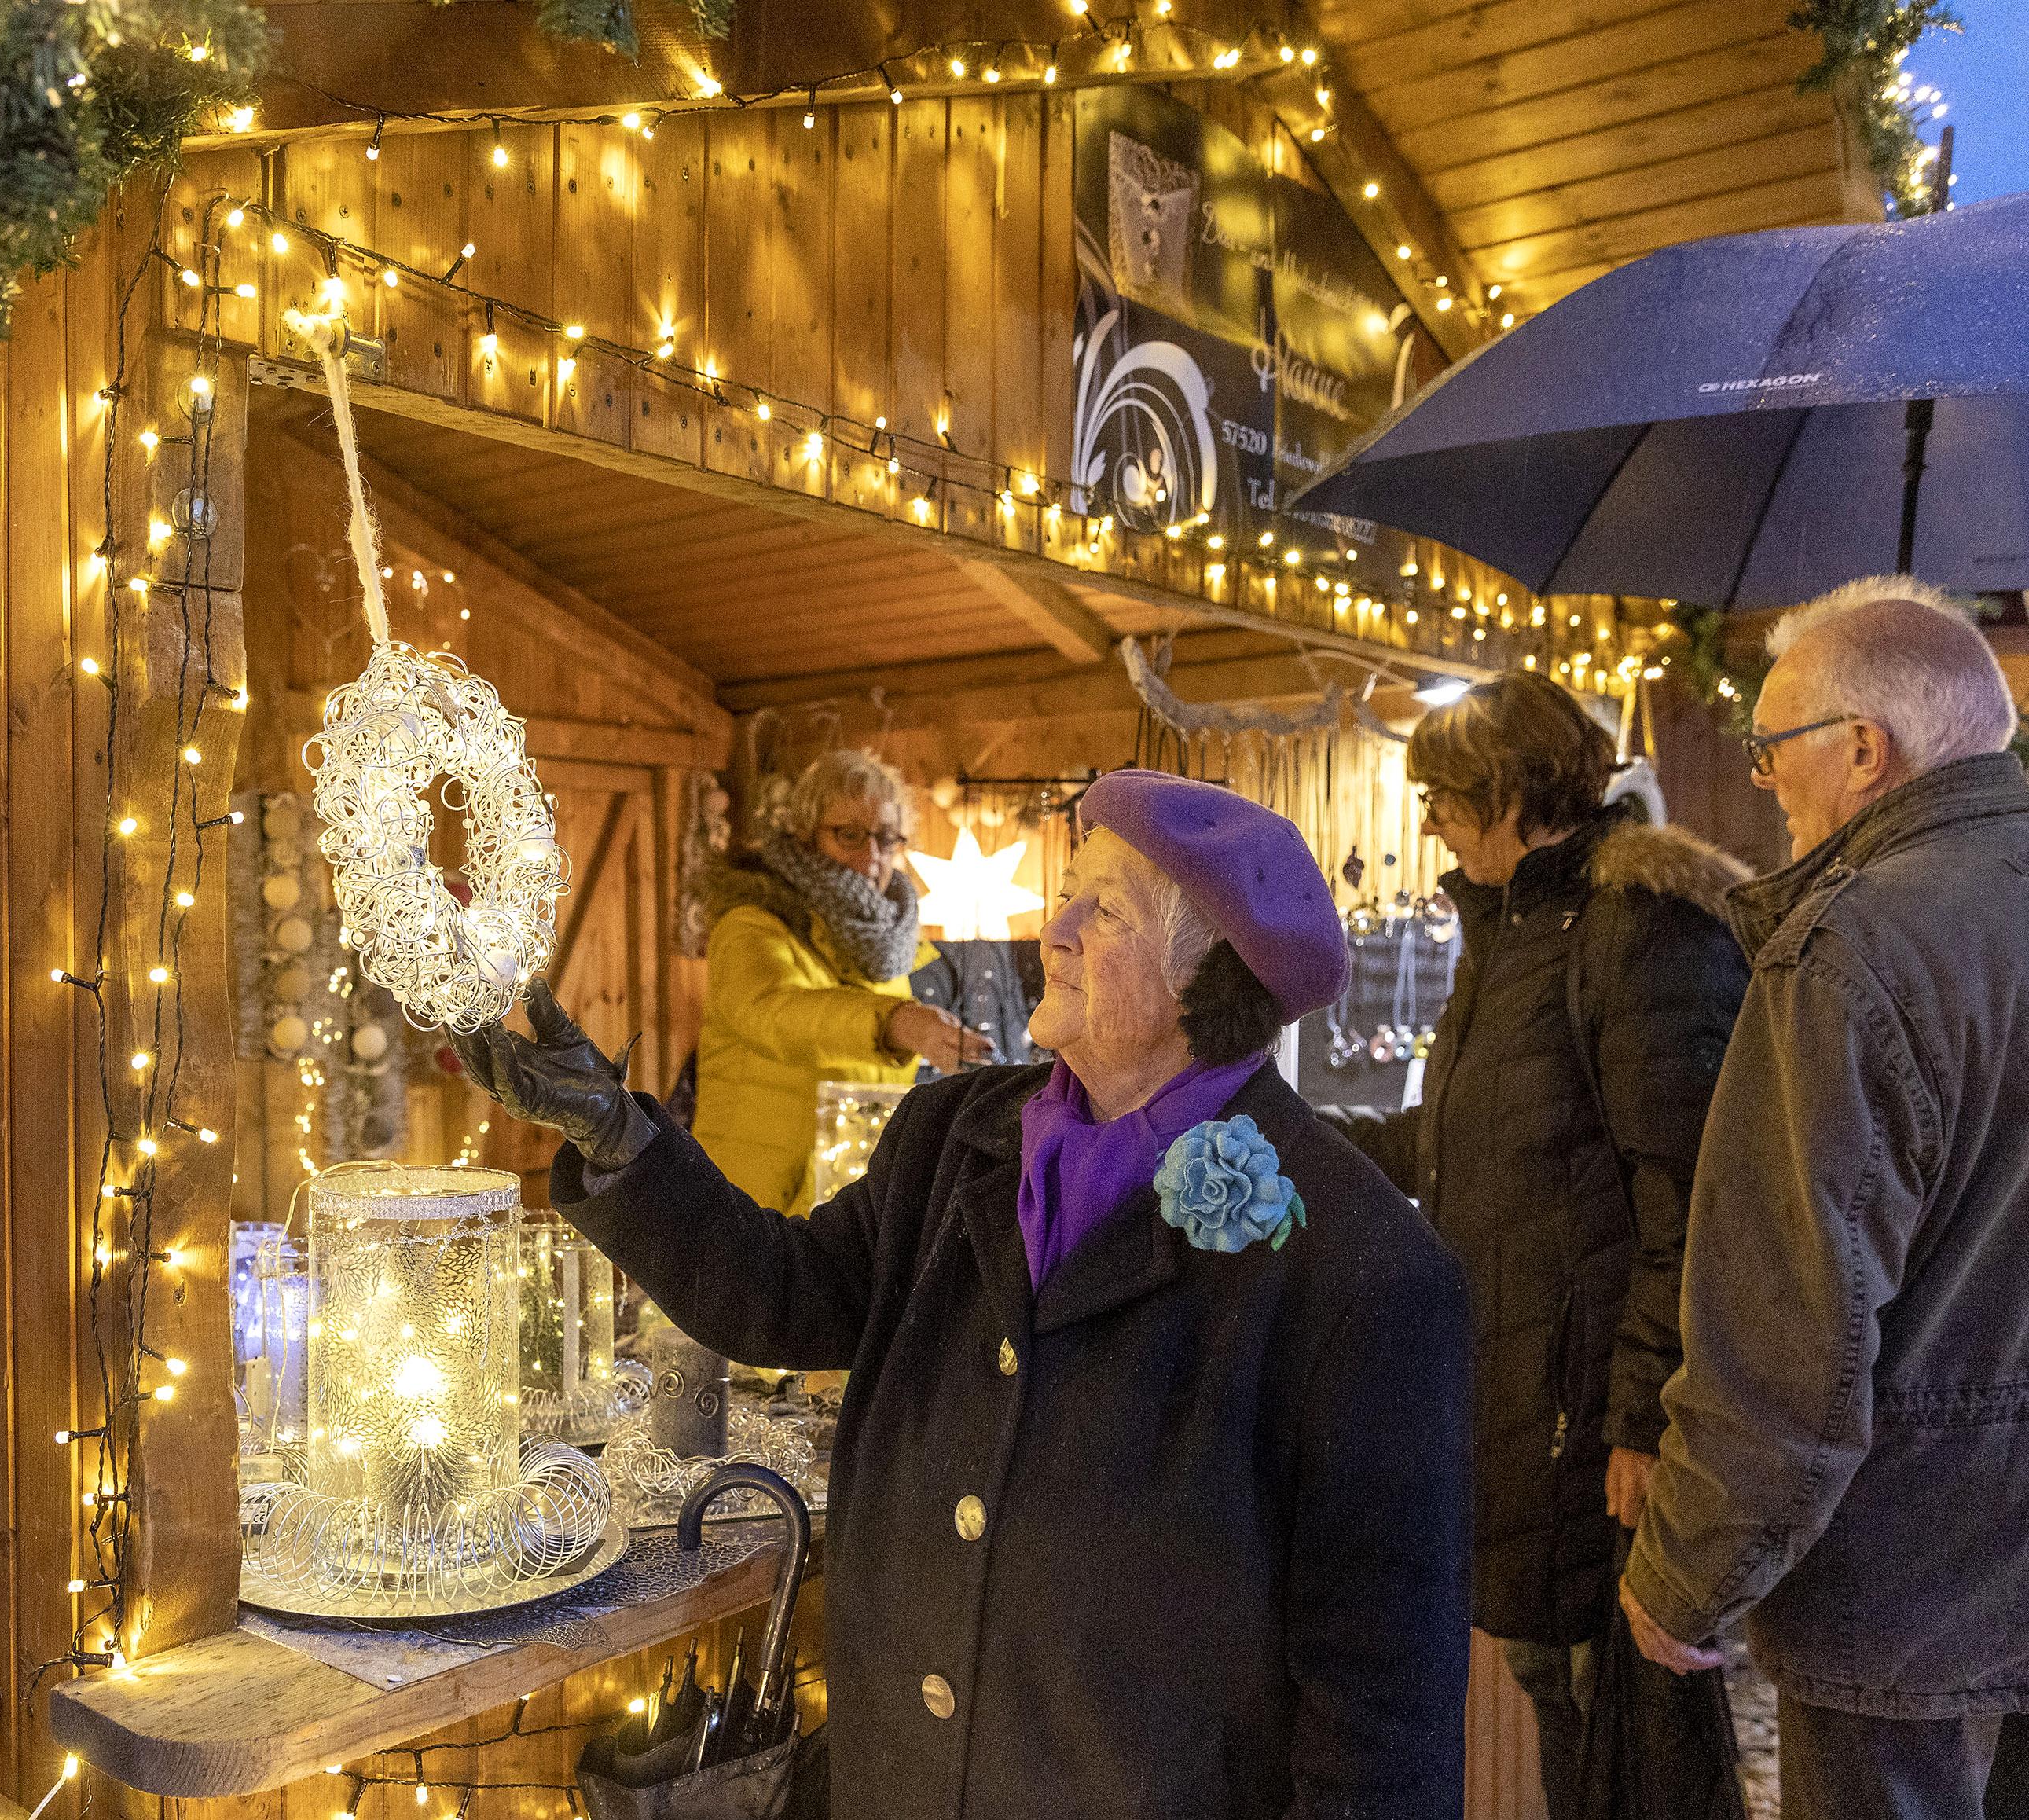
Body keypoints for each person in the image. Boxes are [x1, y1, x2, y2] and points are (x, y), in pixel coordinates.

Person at [453, 769, 1473, 1819]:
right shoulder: (956, 1138)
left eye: (1105, 908)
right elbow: (786, 1295)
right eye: (1066, 890)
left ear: (1206, 973)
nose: (1056, 928)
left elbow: (1381, 1717)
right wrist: (621, 1139)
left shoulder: (1357, 1272)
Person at [1617, 577, 2029, 1820]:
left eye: (1769, 747)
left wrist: (1689, 1570)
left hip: (1909, 1585)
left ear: (1862, 748)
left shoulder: (1850, 946)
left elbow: (1791, 1321)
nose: (1764, 779)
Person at [1323, 672, 1751, 1820]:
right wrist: (1294, 1138)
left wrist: (1646, 1418)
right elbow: (1460, 1140)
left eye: (1442, 797)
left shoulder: (1638, 935)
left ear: (1515, 794)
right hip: (1515, 1385)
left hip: (1594, 1412)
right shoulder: (1509, 933)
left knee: (1623, 1726)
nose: (1426, 824)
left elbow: (1690, 1195)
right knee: (1560, 1695)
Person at [692, 749, 991, 1216]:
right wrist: (896, 1024)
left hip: (839, 1211)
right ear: (804, 834)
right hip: (750, 1207)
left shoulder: (887, 949)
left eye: (886, 838)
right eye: (849, 835)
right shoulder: (752, 926)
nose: (870, 857)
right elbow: (775, 1015)